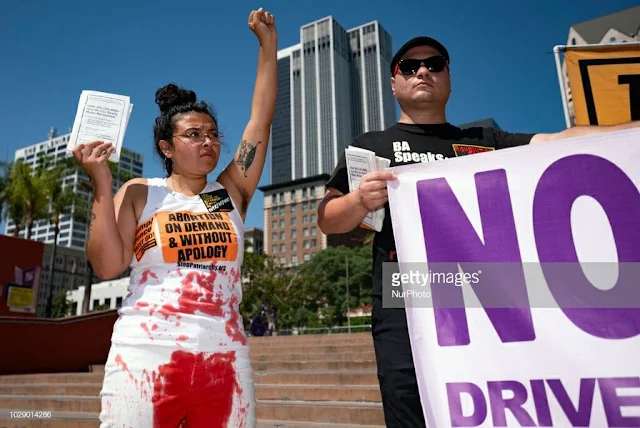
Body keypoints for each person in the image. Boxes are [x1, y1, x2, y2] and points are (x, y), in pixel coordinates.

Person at [317, 35, 640, 428]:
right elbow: (328, 219)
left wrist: (632, 131)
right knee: (410, 407)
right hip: (406, 295)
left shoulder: (485, 141)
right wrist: (359, 200)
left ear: (449, 78)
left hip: (486, 296)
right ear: (393, 82)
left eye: (435, 64)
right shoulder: (370, 145)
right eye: (410, 66)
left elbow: (558, 140)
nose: (423, 71)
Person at [72, 8, 277, 427]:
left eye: (213, 134)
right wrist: (101, 183)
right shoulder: (141, 193)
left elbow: (260, 121)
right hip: (143, 355)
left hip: (224, 358)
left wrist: (268, 45)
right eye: (193, 135)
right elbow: (107, 266)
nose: (208, 142)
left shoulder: (229, 193)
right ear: (166, 147)